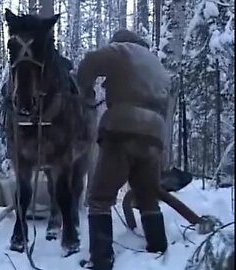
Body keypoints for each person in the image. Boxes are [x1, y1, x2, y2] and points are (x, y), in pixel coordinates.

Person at [76, 29, 170, 270]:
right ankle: (159, 250)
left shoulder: (121, 50)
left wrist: (85, 91)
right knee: (148, 199)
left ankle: (101, 259)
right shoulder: (156, 64)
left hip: (123, 129)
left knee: (99, 199)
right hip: (154, 135)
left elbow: (89, 62)